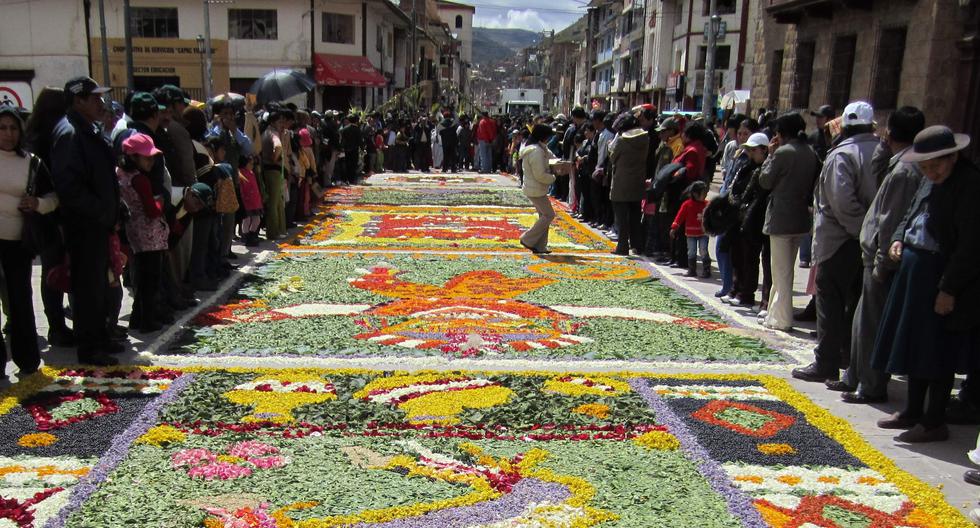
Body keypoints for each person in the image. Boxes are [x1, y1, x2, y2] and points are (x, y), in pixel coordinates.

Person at [873, 125, 980, 443]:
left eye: (936, 165)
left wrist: (948, 287)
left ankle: (934, 420)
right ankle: (913, 410)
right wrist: (897, 239)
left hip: (942, 274)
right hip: (914, 273)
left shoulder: (970, 185)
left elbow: (971, 245)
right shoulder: (928, 180)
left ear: (953, 157)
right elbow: (911, 214)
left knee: (936, 350)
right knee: (913, 344)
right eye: (925, 166)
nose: (930, 172)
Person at [832, 107, 926, 404]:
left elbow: (890, 219)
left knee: (872, 323)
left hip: (881, 258)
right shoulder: (897, 163)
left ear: (891, 132)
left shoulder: (904, 171)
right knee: (862, 319)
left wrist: (883, 262)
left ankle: (871, 384)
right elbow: (876, 176)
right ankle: (856, 375)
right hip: (873, 254)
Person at [793, 102, 880, 383]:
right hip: (869, 239)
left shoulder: (842, 154)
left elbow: (841, 201)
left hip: (840, 239)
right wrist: (869, 233)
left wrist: (859, 230)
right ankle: (848, 357)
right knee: (856, 301)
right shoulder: (881, 150)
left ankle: (826, 362)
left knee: (830, 301)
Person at [49, 76, 119, 366]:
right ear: (78, 100)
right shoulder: (70, 133)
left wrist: (116, 208)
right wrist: (102, 212)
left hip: (98, 223)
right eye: (94, 98)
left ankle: (100, 337)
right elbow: (69, 187)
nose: (101, 103)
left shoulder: (86, 129)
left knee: (100, 285)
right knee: (88, 286)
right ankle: (89, 346)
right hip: (85, 225)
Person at [0, 107, 58, 377]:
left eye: (13, 128)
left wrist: (37, 203)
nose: (8, 134)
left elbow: (53, 198)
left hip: (18, 242)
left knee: (20, 300)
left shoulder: (31, 162)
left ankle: (27, 358)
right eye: (2, 128)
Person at [757, 113, 820, 332]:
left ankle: (783, 318)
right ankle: (775, 312)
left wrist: (770, 155)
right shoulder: (809, 152)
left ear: (781, 134)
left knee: (781, 271)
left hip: (782, 216)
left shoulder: (783, 153)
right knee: (783, 268)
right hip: (800, 216)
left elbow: (765, 180)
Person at [116, 133, 170, 333]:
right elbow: (152, 210)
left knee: (143, 278)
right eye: (147, 157)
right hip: (150, 235)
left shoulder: (119, 174)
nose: (151, 161)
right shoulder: (140, 180)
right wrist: (160, 202)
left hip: (133, 232)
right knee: (150, 280)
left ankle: (137, 319)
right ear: (133, 157)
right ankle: (147, 321)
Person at [609, 114, 649, 256]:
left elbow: (613, 157)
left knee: (622, 218)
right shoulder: (645, 139)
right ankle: (637, 245)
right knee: (635, 217)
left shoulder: (621, 141)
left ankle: (622, 246)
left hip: (621, 183)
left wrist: (611, 144)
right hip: (637, 182)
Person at [518, 124, 557, 254]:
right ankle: (527, 239)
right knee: (549, 215)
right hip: (535, 188)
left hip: (535, 187)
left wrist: (559, 163)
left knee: (543, 216)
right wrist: (553, 177)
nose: (548, 140)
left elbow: (552, 158)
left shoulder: (540, 148)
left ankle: (540, 246)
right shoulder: (536, 151)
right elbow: (539, 175)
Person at [671, 181, 709, 277]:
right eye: (703, 193)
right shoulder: (687, 204)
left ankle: (706, 270)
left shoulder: (707, 204)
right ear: (695, 194)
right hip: (691, 233)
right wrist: (674, 227)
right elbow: (679, 217)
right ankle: (692, 270)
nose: (705, 195)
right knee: (691, 251)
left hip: (703, 232)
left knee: (703, 250)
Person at [261, 107, 288, 239]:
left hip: (269, 169)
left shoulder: (268, 132)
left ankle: (278, 230)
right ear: (273, 122)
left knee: (276, 201)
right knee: (274, 202)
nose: (282, 125)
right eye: (280, 122)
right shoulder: (272, 133)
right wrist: (275, 157)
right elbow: (277, 147)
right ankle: (274, 232)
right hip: (272, 169)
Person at [237, 156, 263, 247]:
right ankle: (246, 236)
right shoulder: (240, 173)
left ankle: (251, 235)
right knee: (246, 220)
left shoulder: (251, 173)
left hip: (255, 201)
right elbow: (241, 189)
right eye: (250, 163)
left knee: (257, 219)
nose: (252, 165)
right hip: (247, 201)